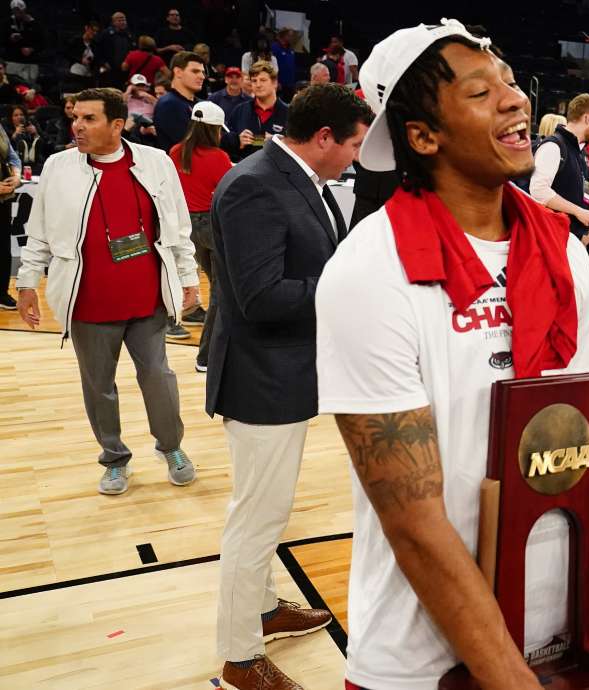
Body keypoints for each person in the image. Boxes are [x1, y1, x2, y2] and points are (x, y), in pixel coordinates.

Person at [315, 20, 589, 689]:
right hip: (422, 659)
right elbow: (412, 520)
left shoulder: (562, 252)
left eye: (508, 81)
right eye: (481, 92)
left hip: (556, 637)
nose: (514, 100)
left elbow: (576, 451)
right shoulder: (370, 269)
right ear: (422, 137)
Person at [210, 83, 371, 689]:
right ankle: (238, 657)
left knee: (270, 514)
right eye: (353, 144)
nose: (356, 156)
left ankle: (262, 607)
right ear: (324, 137)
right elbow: (259, 297)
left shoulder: (296, 178)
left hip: (285, 373)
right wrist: (346, 294)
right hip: (261, 377)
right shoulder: (257, 183)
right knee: (255, 518)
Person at [14, 87, 198, 495]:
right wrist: (27, 282)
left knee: (159, 379)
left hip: (147, 300)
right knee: (99, 386)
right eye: (75, 117)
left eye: (88, 119)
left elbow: (177, 226)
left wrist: (188, 277)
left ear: (118, 125)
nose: (76, 126)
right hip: (88, 305)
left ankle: (172, 447)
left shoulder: (154, 163)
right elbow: (39, 233)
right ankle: (114, 458)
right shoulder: (59, 167)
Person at [169, 101, 231, 373]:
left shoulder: (176, 152)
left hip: (185, 227)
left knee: (202, 282)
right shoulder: (218, 157)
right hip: (212, 225)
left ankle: (179, 324)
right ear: (213, 130)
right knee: (219, 291)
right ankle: (206, 357)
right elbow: (231, 191)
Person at [528, 92, 589, 242]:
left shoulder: (581, 152)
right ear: (588, 118)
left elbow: (584, 186)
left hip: (571, 236)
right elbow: (538, 190)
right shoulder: (553, 146)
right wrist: (579, 212)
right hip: (551, 237)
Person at [222, 61, 287, 161]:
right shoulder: (239, 111)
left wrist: (280, 143)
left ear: (274, 83)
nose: (258, 85)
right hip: (245, 171)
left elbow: (301, 146)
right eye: (254, 81)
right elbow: (224, 143)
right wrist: (237, 141)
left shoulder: (290, 113)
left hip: (279, 172)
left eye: (263, 80)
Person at [153, 51, 204, 151]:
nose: (202, 76)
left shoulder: (201, 104)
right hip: (181, 165)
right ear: (178, 72)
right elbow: (192, 144)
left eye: (202, 72)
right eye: (195, 71)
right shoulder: (168, 104)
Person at [0, 122, 23, 309]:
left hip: (4, 196)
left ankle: (2, 292)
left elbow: (12, 156)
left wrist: (16, 176)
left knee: (2, 247)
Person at [5, 0, 42, 85]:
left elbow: (42, 43)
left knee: (28, 89)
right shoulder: (7, 23)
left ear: (24, 10)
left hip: (30, 63)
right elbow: (3, 41)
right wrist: (10, 39)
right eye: (15, 10)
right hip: (12, 61)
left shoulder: (35, 24)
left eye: (20, 10)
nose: (17, 13)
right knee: (12, 88)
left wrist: (32, 49)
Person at [96, 12, 132, 88]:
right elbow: (98, 50)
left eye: (124, 20)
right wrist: (104, 63)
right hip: (109, 69)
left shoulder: (128, 34)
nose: (123, 22)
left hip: (124, 70)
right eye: (119, 20)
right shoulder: (106, 34)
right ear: (113, 22)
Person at [63, 21, 99, 93]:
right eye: (93, 30)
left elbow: (96, 59)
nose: (94, 33)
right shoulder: (75, 41)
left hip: (89, 74)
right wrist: (80, 60)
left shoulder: (95, 44)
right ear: (86, 28)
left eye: (96, 31)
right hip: (76, 71)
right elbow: (67, 54)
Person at [270, 29, 297, 97]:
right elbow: (271, 66)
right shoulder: (274, 47)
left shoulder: (291, 49)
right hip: (280, 84)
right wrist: (276, 82)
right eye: (290, 36)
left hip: (290, 83)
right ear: (284, 36)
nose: (292, 38)